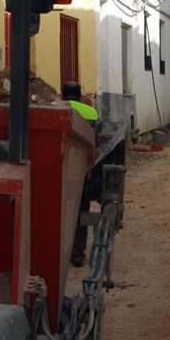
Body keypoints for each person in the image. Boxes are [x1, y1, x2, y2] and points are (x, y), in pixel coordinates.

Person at [62, 81, 99, 266]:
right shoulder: (91, 112)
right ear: (79, 96)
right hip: (82, 171)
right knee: (80, 210)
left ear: (63, 95)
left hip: (57, 169)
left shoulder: (56, 109)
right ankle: (76, 254)